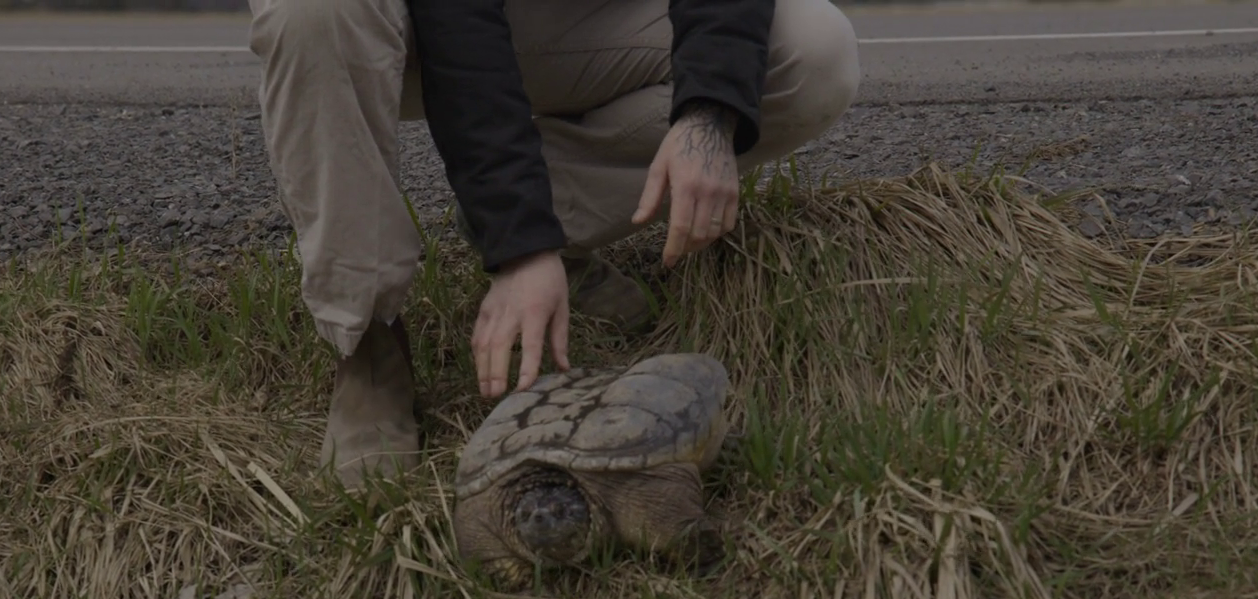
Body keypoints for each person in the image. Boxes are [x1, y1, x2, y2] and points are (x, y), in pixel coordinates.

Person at [247, 0, 861, 489]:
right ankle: (368, 340)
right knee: (313, 11)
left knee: (811, 53)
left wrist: (708, 111)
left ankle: (557, 226)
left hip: (569, 17)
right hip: (389, 20)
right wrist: (518, 242)